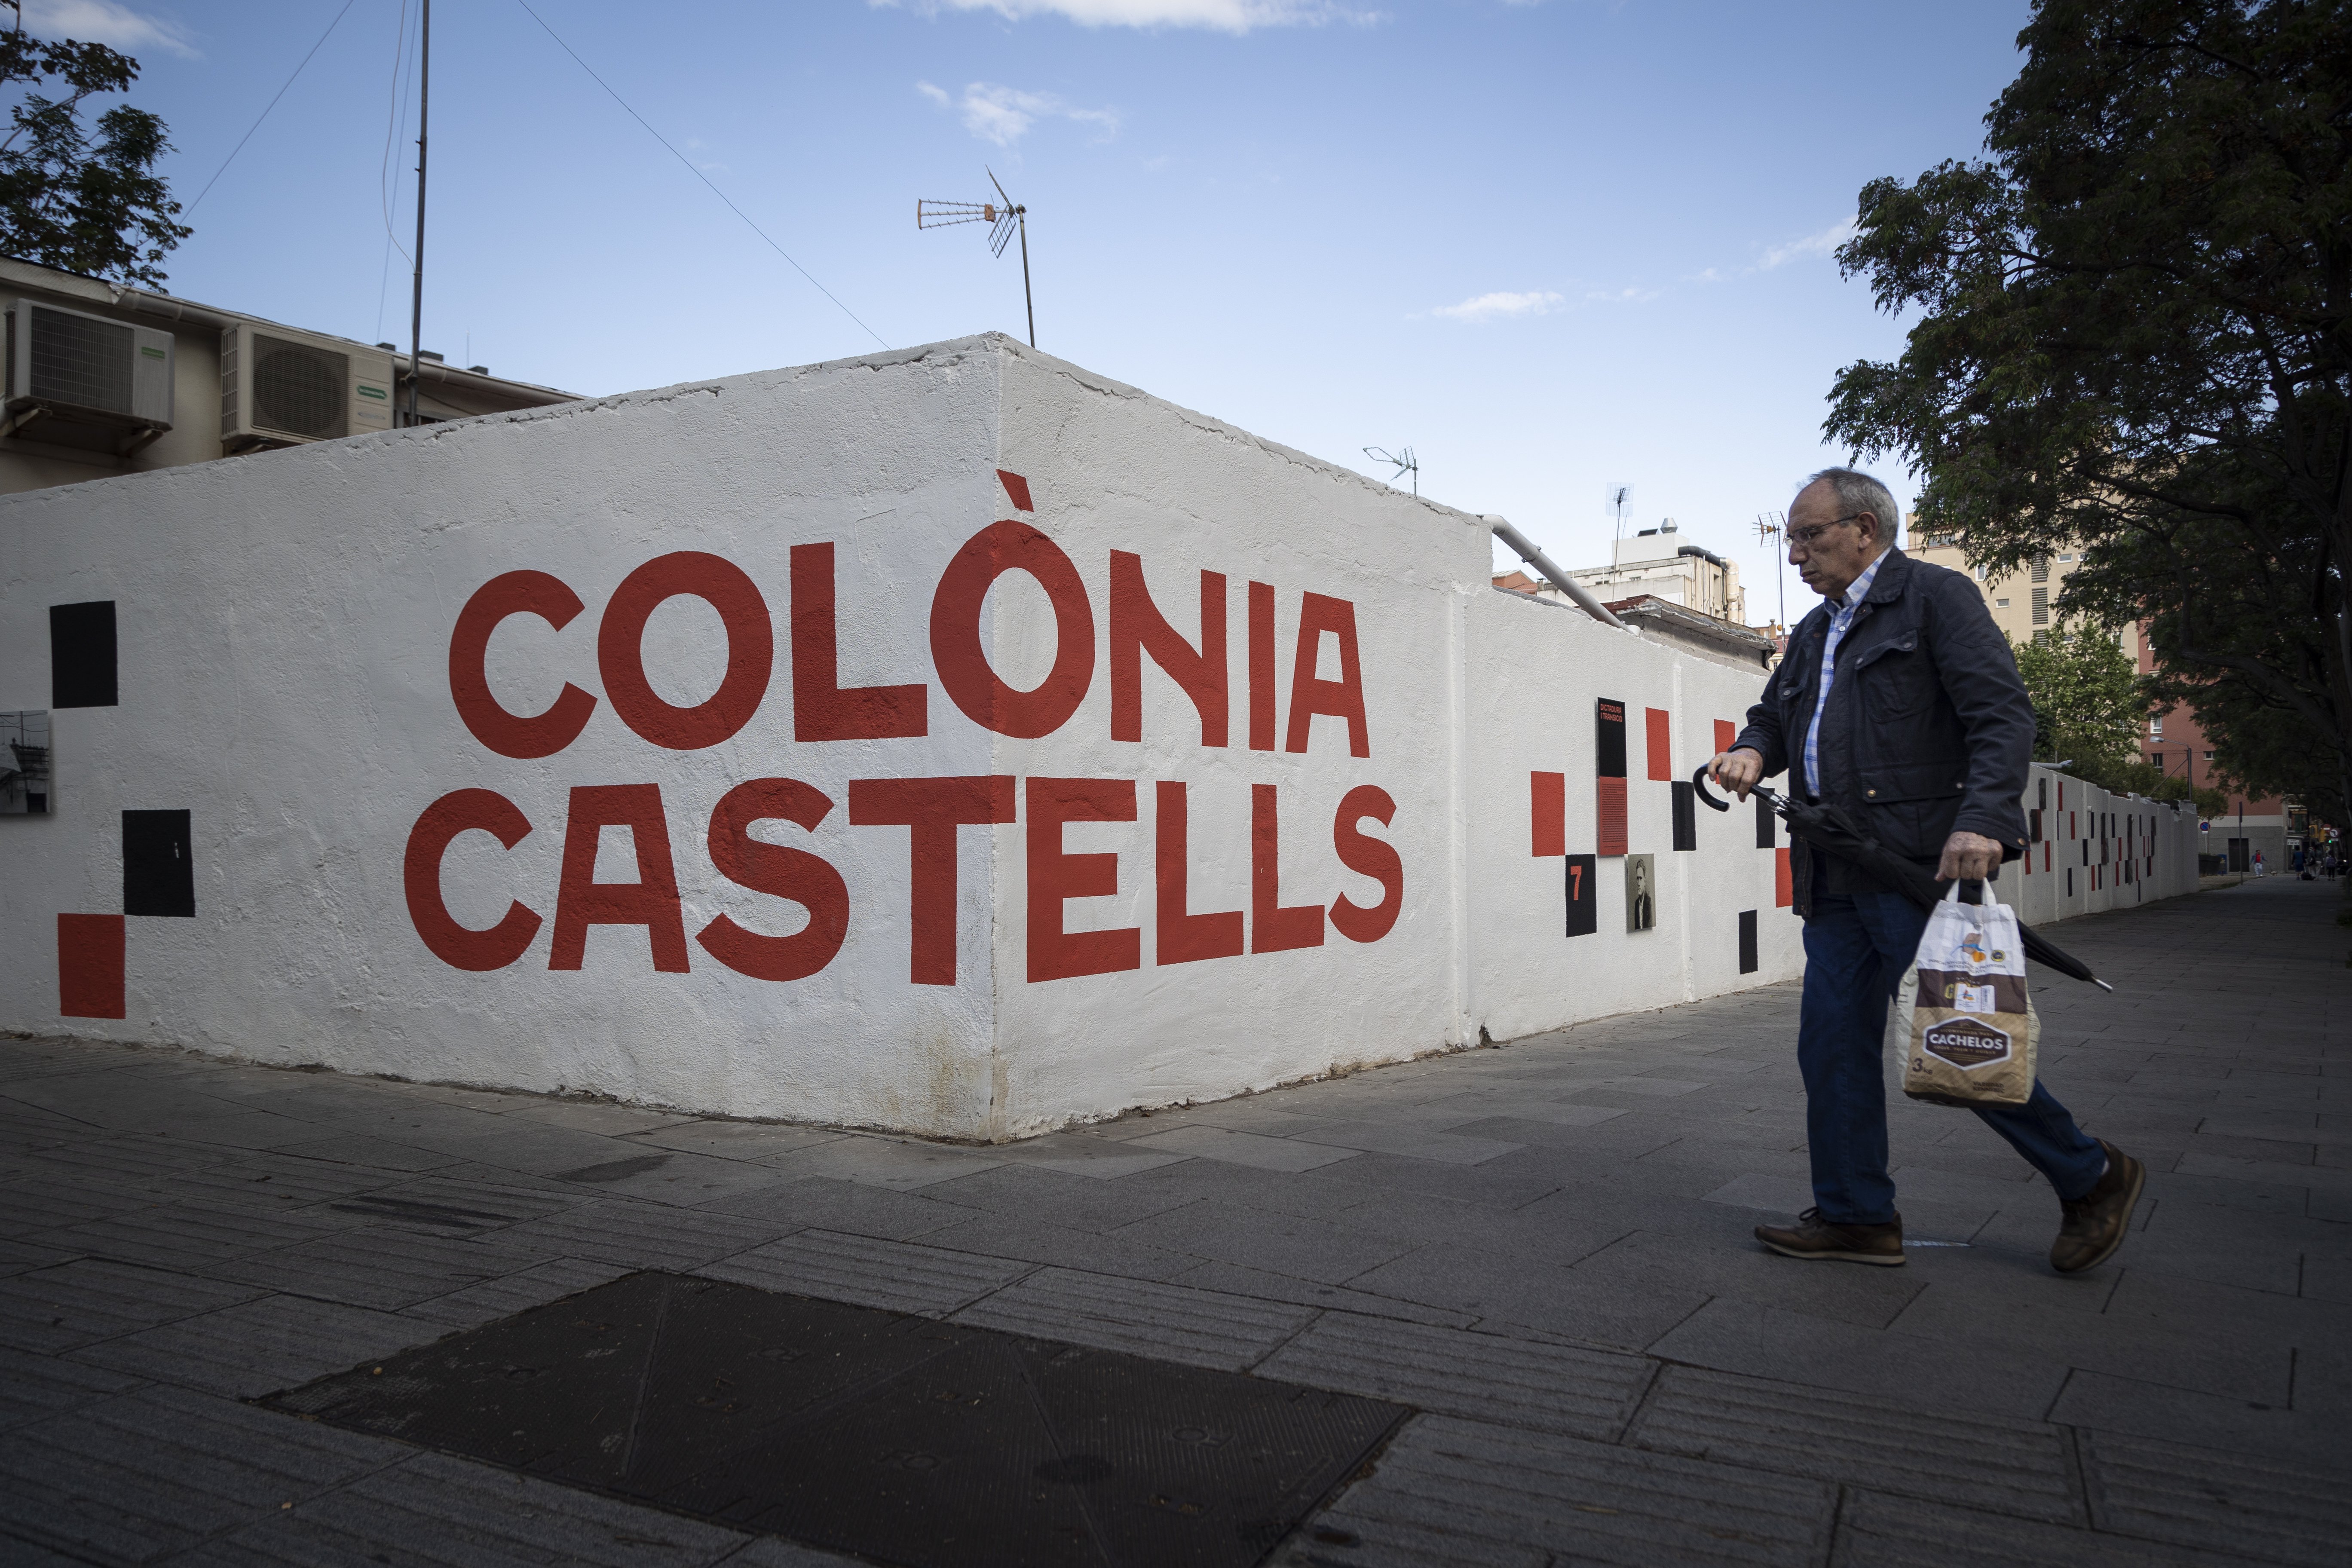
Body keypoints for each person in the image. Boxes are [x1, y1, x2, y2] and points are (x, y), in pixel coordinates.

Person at [1709, 469, 2144, 1274]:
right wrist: (1751, 749)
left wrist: (1985, 818)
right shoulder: (1812, 631)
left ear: (1866, 529)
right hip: (1833, 870)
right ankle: (1855, 1217)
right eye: (1794, 538)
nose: (1795, 551)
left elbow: (2001, 712)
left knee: (1959, 1039)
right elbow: (1774, 713)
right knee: (1832, 1046)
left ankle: (2091, 1175)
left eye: (1812, 535)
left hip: (1911, 865)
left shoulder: (1937, 599)